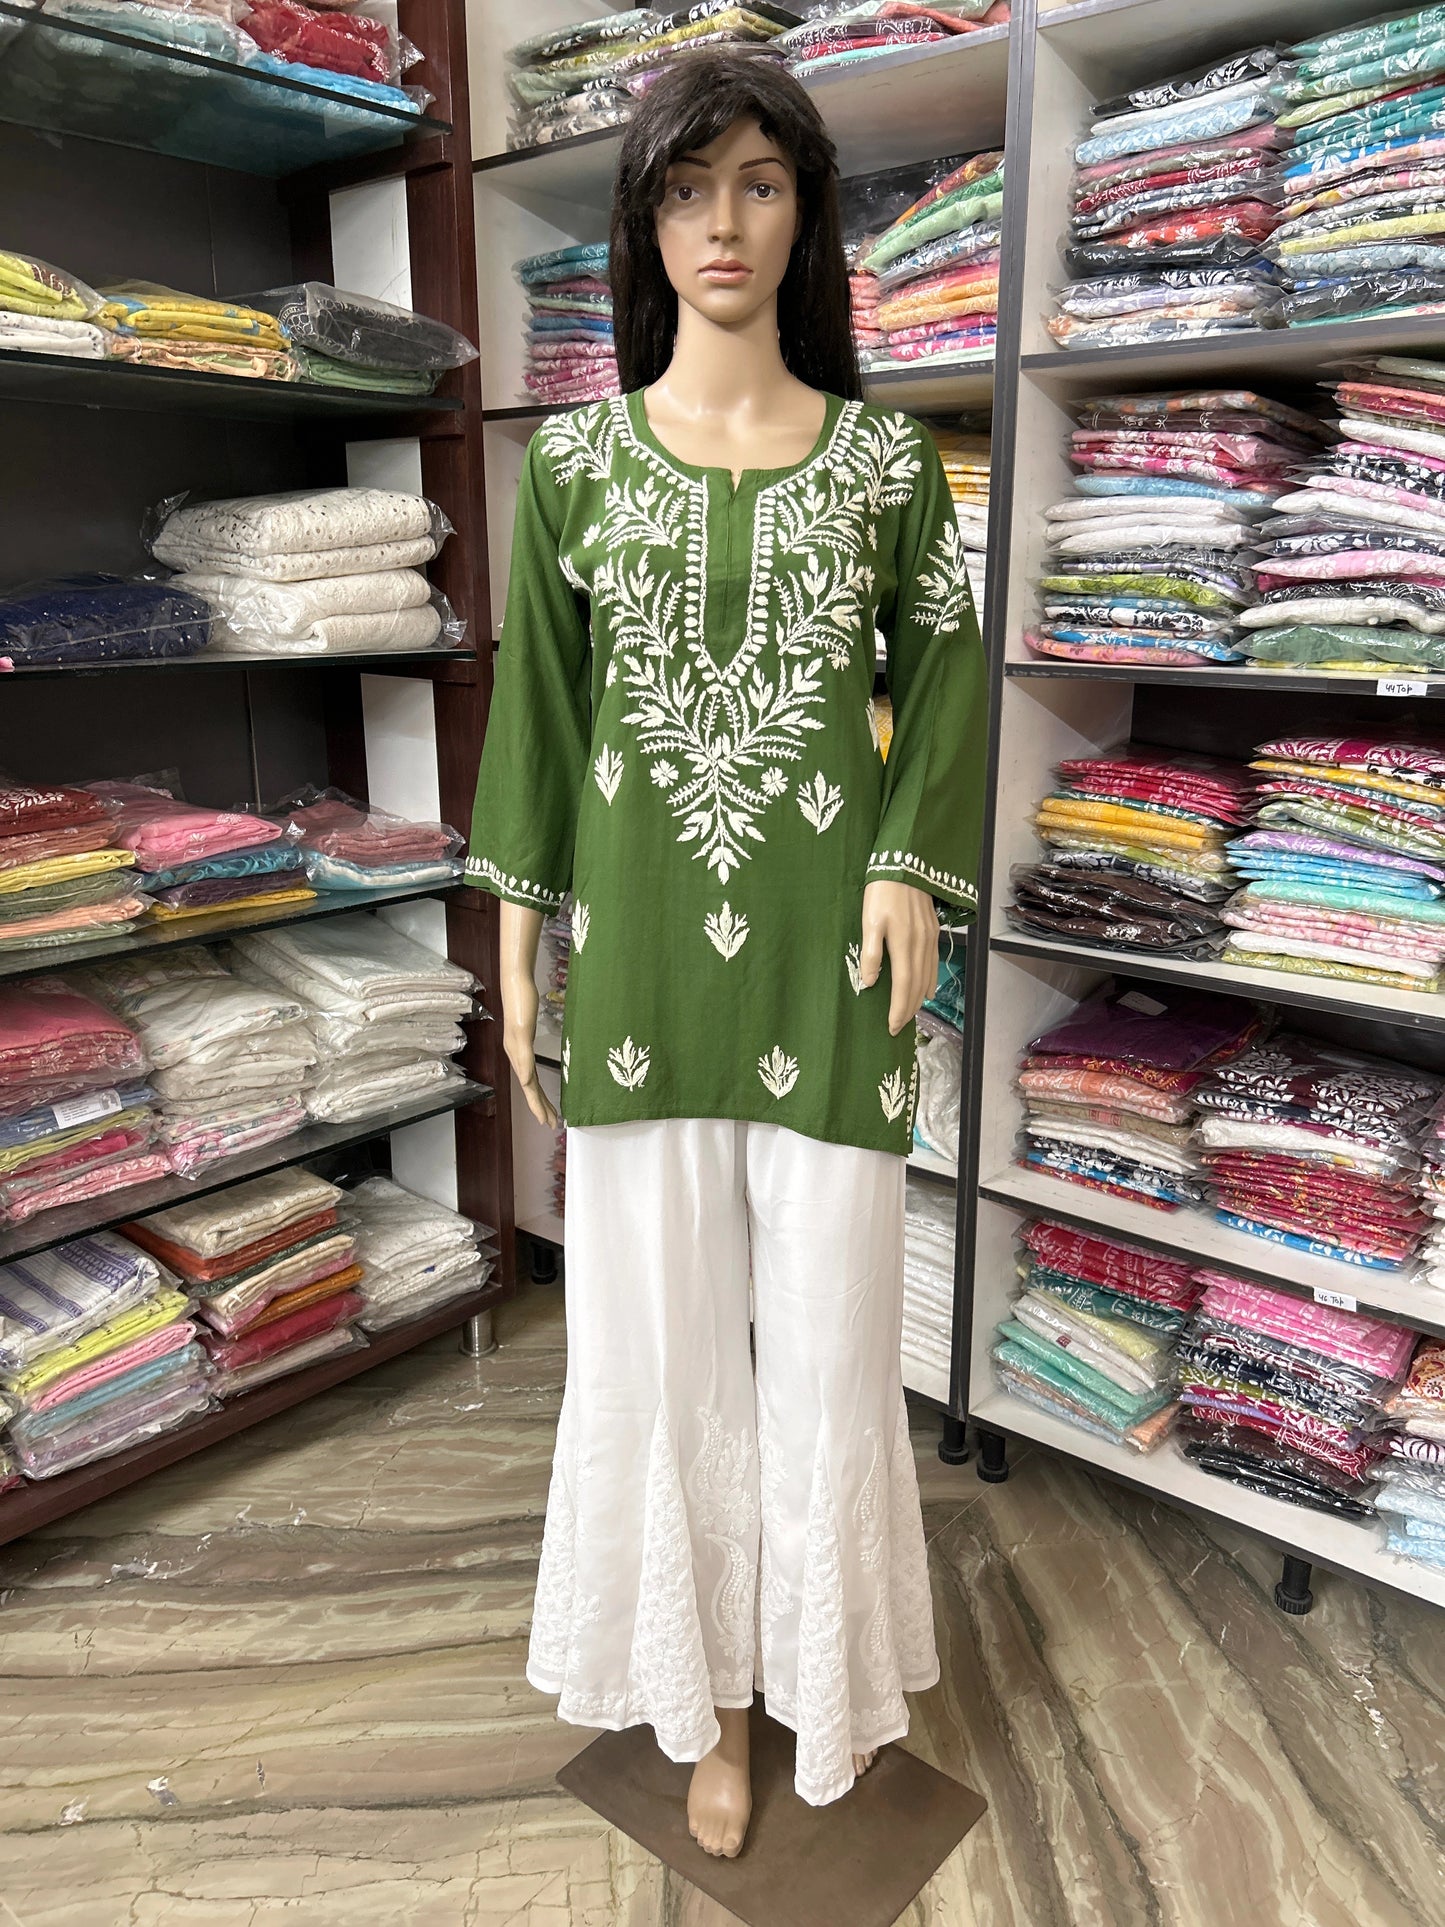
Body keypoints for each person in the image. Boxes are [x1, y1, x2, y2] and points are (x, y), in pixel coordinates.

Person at [466, 49, 986, 1859]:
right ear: (643, 220)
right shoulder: (576, 465)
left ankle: (814, 1689)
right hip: (635, 965)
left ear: (805, 214)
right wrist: (519, 938)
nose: (723, 223)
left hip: (828, 971)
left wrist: (907, 860)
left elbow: (943, 675)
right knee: (656, 1347)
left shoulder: (883, 462)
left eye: (759, 184)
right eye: (687, 189)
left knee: (829, 1348)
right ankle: (701, 1701)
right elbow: (539, 714)